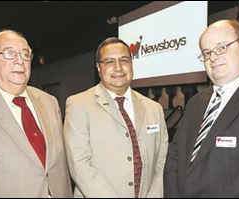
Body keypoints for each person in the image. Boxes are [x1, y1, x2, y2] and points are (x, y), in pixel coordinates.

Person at [163, 19, 239, 197]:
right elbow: (174, 157)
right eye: (206, 52)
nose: (213, 57)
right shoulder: (195, 102)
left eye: (222, 47)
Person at [0, 30, 72, 197]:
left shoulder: (49, 102)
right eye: (9, 53)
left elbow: (59, 166)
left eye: (25, 54)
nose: (20, 61)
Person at [64, 37, 168, 197]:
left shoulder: (154, 109)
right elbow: (80, 165)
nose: (118, 67)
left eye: (124, 60)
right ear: (98, 67)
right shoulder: (78, 104)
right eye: (109, 61)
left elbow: (162, 162)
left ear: (131, 64)